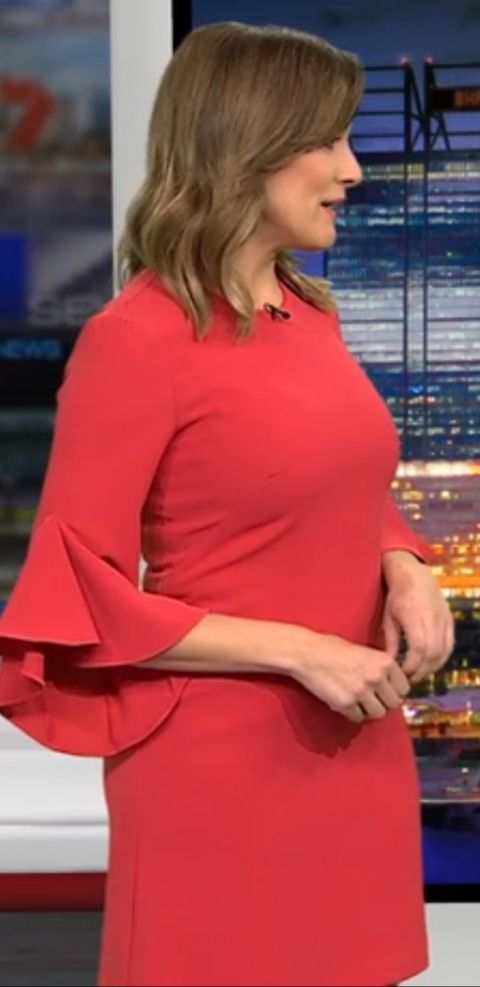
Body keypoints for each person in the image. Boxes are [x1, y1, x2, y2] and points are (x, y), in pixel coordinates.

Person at [0, 21, 454, 987]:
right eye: (327, 140)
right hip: (219, 765)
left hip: (353, 736)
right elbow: (80, 593)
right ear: (248, 146)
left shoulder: (309, 314)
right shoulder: (137, 342)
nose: (352, 170)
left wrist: (405, 563)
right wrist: (300, 649)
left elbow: (338, 483)